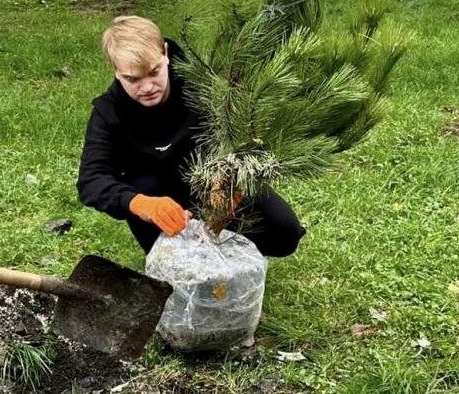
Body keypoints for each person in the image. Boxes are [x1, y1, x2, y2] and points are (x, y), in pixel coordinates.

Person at [78, 16, 306, 257]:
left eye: (154, 72)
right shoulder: (108, 112)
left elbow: (248, 136)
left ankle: (231, 243)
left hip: (215, 184)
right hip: (160, 201)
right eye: (132, 79)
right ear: (116, 71)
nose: (147, 87)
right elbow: (91, 179)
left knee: (284, 233)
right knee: (179, 267)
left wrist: (232, 181)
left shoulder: (202, 84)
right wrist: (139, 203)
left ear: (165, 53)